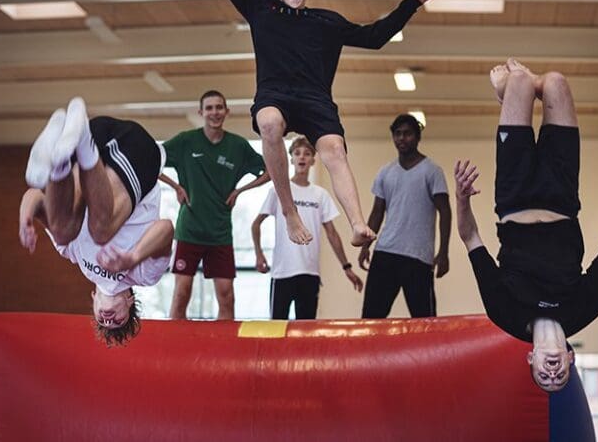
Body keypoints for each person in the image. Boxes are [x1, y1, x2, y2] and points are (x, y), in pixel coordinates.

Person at [216, 0, 442, 247]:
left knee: (335, 150)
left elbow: (374, 37)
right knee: (268, 123)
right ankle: (289, 210)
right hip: (275, 92)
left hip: (315, 99)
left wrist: (411, 3)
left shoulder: (325, 21)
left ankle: (358, 223)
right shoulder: (261, 7)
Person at [454, 58, 598, 392]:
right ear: (570, 360)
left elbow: (471, 237)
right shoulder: (586, 307)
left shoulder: (504, 313)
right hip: (562, 194)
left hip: (514, 194)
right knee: (556, 82)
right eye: (559, 375)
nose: (552, 372)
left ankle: (512, 93)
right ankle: (512, 94)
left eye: (543, 376)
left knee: (520, 80)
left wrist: (461, 198)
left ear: (531, 359)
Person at [18, 97, 173, 346]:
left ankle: (59, 162)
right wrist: (133, 257)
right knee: (101, 232)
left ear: (93, 298)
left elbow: (35, 197)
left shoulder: (76, 257)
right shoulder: (143, 275)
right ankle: (82, 145)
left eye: (102, 321)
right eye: (118, 321)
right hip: (137, 151)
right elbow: (166, 229)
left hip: (94, 149)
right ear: (130, 303)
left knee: (62, 231)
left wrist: (25, 217)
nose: (108, 319)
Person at [161, 90, 269, 320]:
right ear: (201, 112)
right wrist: (175, 186)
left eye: (219, 107)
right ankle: (176, 349)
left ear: (226, 112)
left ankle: (226, 353)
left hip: (220, 232)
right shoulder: (185, 141)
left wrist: (241, 190)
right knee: (181, 293)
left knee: (226, 296)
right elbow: (150, 158)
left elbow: (270, 170)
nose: (214, 112)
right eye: (209, 108)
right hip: (189, 230)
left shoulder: (238, 146)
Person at [252, 136, 363, 320]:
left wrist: (347, 267)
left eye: (307, 154)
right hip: (282, 273)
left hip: (310, 273)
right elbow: (256, 224)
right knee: (277, 330)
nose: (302, 157)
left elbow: (332, 234)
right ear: (291, 159)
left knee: (306, 330)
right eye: (297, 153)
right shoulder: (279, 190)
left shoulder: (320, 195)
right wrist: (258, 254)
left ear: (313, 159)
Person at [358, 114, 451, 318]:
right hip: (385, 253)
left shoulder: (432, 171)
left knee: (425, 322)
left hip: (418, 257)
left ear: (417, 137)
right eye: (397, 134)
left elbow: (445, 211)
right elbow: (377, 212)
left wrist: (443, 252)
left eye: (407, 134)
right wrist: (366, 245)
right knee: (371, 319)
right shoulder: (385, 172)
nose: (402, 138)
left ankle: (428, 352)